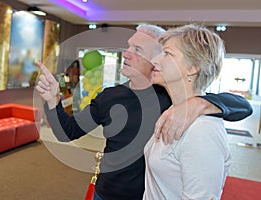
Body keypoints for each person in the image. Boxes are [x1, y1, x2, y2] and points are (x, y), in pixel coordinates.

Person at [35, 24, 252, 200]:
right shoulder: (110, 96)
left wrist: (200, 103)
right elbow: (68, 132)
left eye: (137, 50)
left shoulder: (171, 97)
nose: (126, 54)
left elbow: (242, 106)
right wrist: (54, 100)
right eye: (128, 47)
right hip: (105, 192)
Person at [143, 24, 232, 199]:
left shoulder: (202, 131)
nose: (154, 60)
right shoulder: (172, 111)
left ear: (193, 67)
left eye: (167, 53)